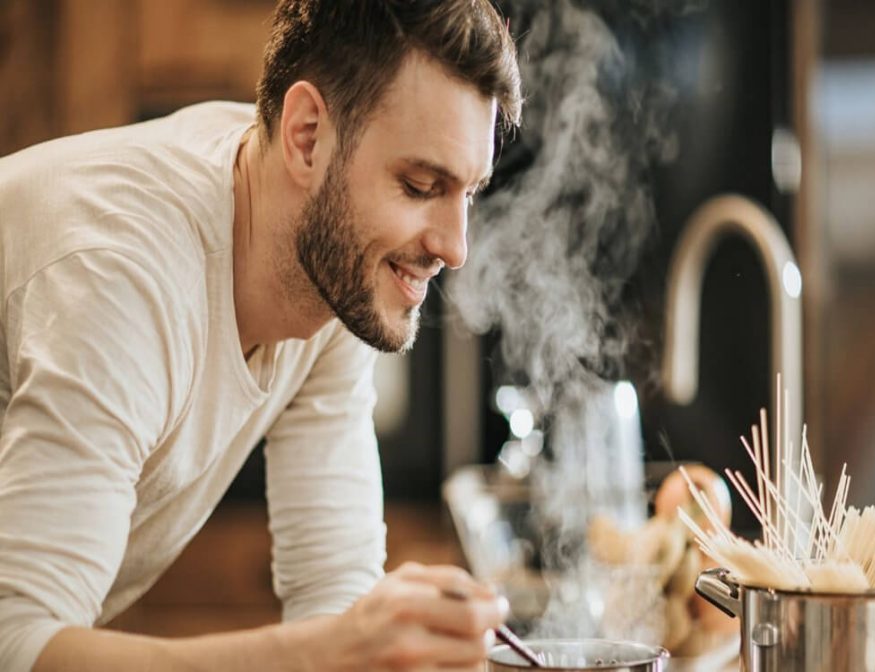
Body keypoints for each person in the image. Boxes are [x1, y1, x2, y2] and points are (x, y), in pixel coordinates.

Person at [0, 0, 522, 670]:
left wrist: (371, 645)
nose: (456, 248)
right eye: (421, 185)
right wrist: (325, 649)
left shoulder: (329, 269)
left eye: (468, 193)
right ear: (306, 136)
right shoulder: (122, 273)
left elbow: (333, 596)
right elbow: (16, 644)